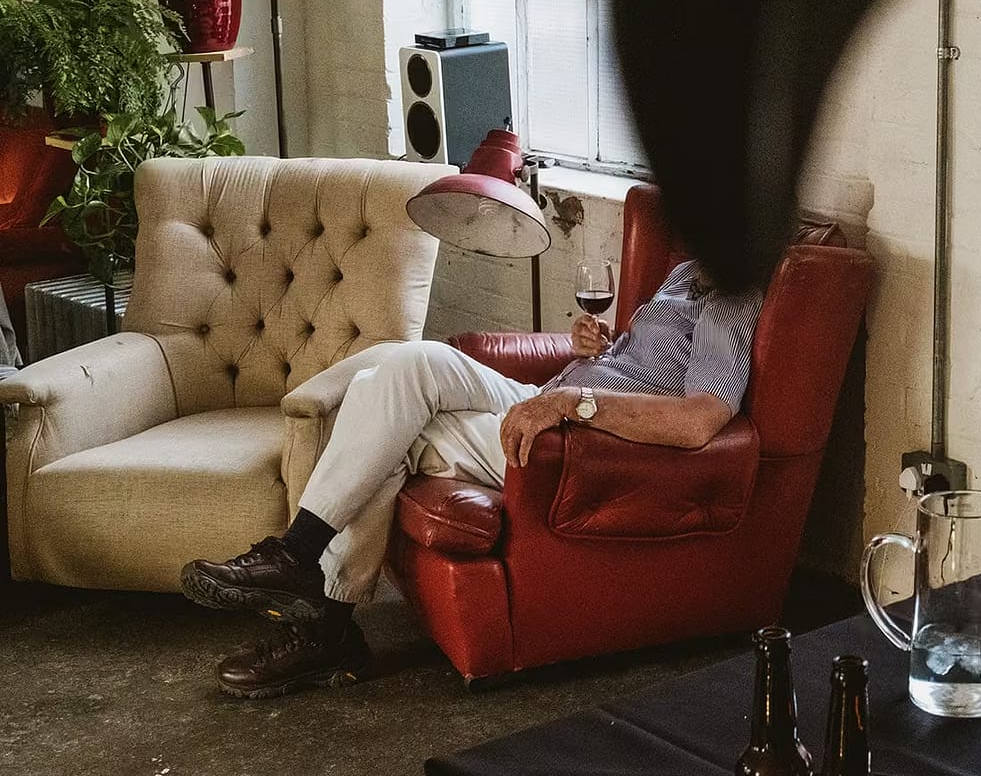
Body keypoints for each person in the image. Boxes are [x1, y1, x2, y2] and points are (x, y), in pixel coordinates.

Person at [180, 259, 762, 699]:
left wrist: (576, 401)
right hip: (550, 397)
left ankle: (317, 604)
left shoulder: (734, 291)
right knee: (416, 363)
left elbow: (699, 419)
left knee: (382, 417)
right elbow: (651, 367)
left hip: (582, 444)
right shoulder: (688, 271)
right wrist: (603, 349)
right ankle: (306, 575)